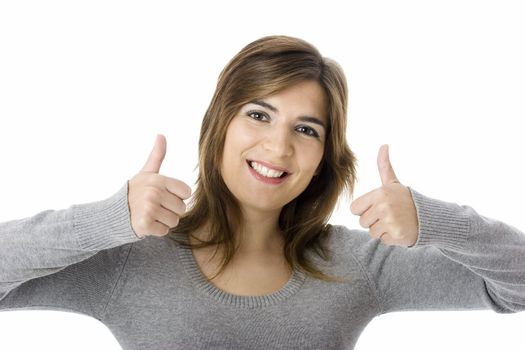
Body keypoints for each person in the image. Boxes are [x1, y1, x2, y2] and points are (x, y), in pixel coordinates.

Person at [0, 35, 524, 350]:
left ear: (323, 159)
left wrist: (433, 221)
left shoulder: (358, 264)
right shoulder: (127, 262)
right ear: (220, 124)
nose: (278, 147)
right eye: (258, 114)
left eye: (306, 129)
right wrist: (107, 219)